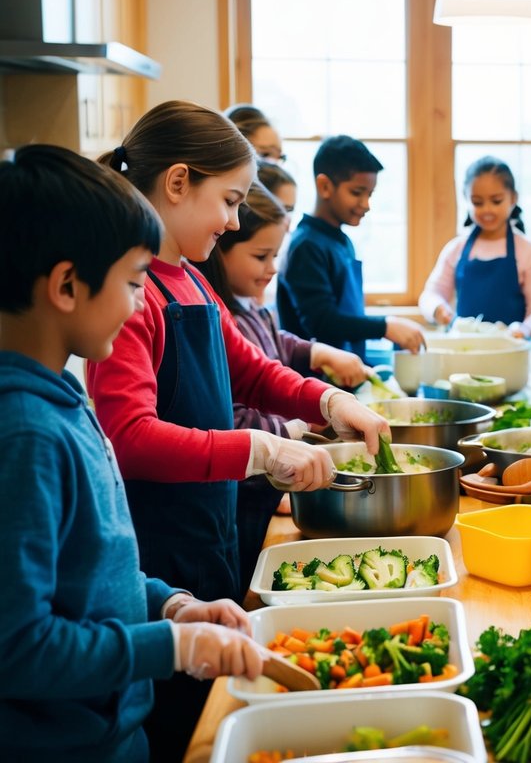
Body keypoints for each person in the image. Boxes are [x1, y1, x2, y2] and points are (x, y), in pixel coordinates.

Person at [86, 101, 389, 760]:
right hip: (160, 551)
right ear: (175, 184)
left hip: (210, 533)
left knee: (211, 710)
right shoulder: (136, 296)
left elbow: (251, 370)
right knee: (180, 730)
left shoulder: (190, 279)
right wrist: (260, 449)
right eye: (226, 200)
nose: (230, 221)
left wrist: (331, 403)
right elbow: (130, 436)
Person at [0, 145, 268, 762]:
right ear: (67, 285)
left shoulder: (61, 400)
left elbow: (95, 571)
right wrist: (171, 648)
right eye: (132, 282)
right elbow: (19, 647)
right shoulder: (26, 436)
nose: (141, 301)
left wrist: (172, 605)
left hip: (116, 732)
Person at [195, 181, 371, 592]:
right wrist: (295, 432)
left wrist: (319, 355)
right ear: (220, 250)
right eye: (261, 256)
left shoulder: (255, 309)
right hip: (247, 495)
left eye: (276, 255)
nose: (272, 267)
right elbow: (233, 416)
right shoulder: (224, 318)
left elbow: (279, 347)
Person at [277, 135, 427, 361]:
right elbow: (322, 322)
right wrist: (385, 326)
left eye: (370, 194)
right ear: (325, 186)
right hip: (315, 381)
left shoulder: (343, 241)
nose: (366, 204)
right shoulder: (306, 246)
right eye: (357, 193)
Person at [419, 156, 531, 338]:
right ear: (466, 199)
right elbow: (430, 294)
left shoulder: (527, 250)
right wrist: (437, 309)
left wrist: (525, 329)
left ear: (513, 198)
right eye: (477, 202)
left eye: (496, 201)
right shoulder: (456, 248)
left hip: (511, 351)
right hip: (464, 351)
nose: (487, 209)